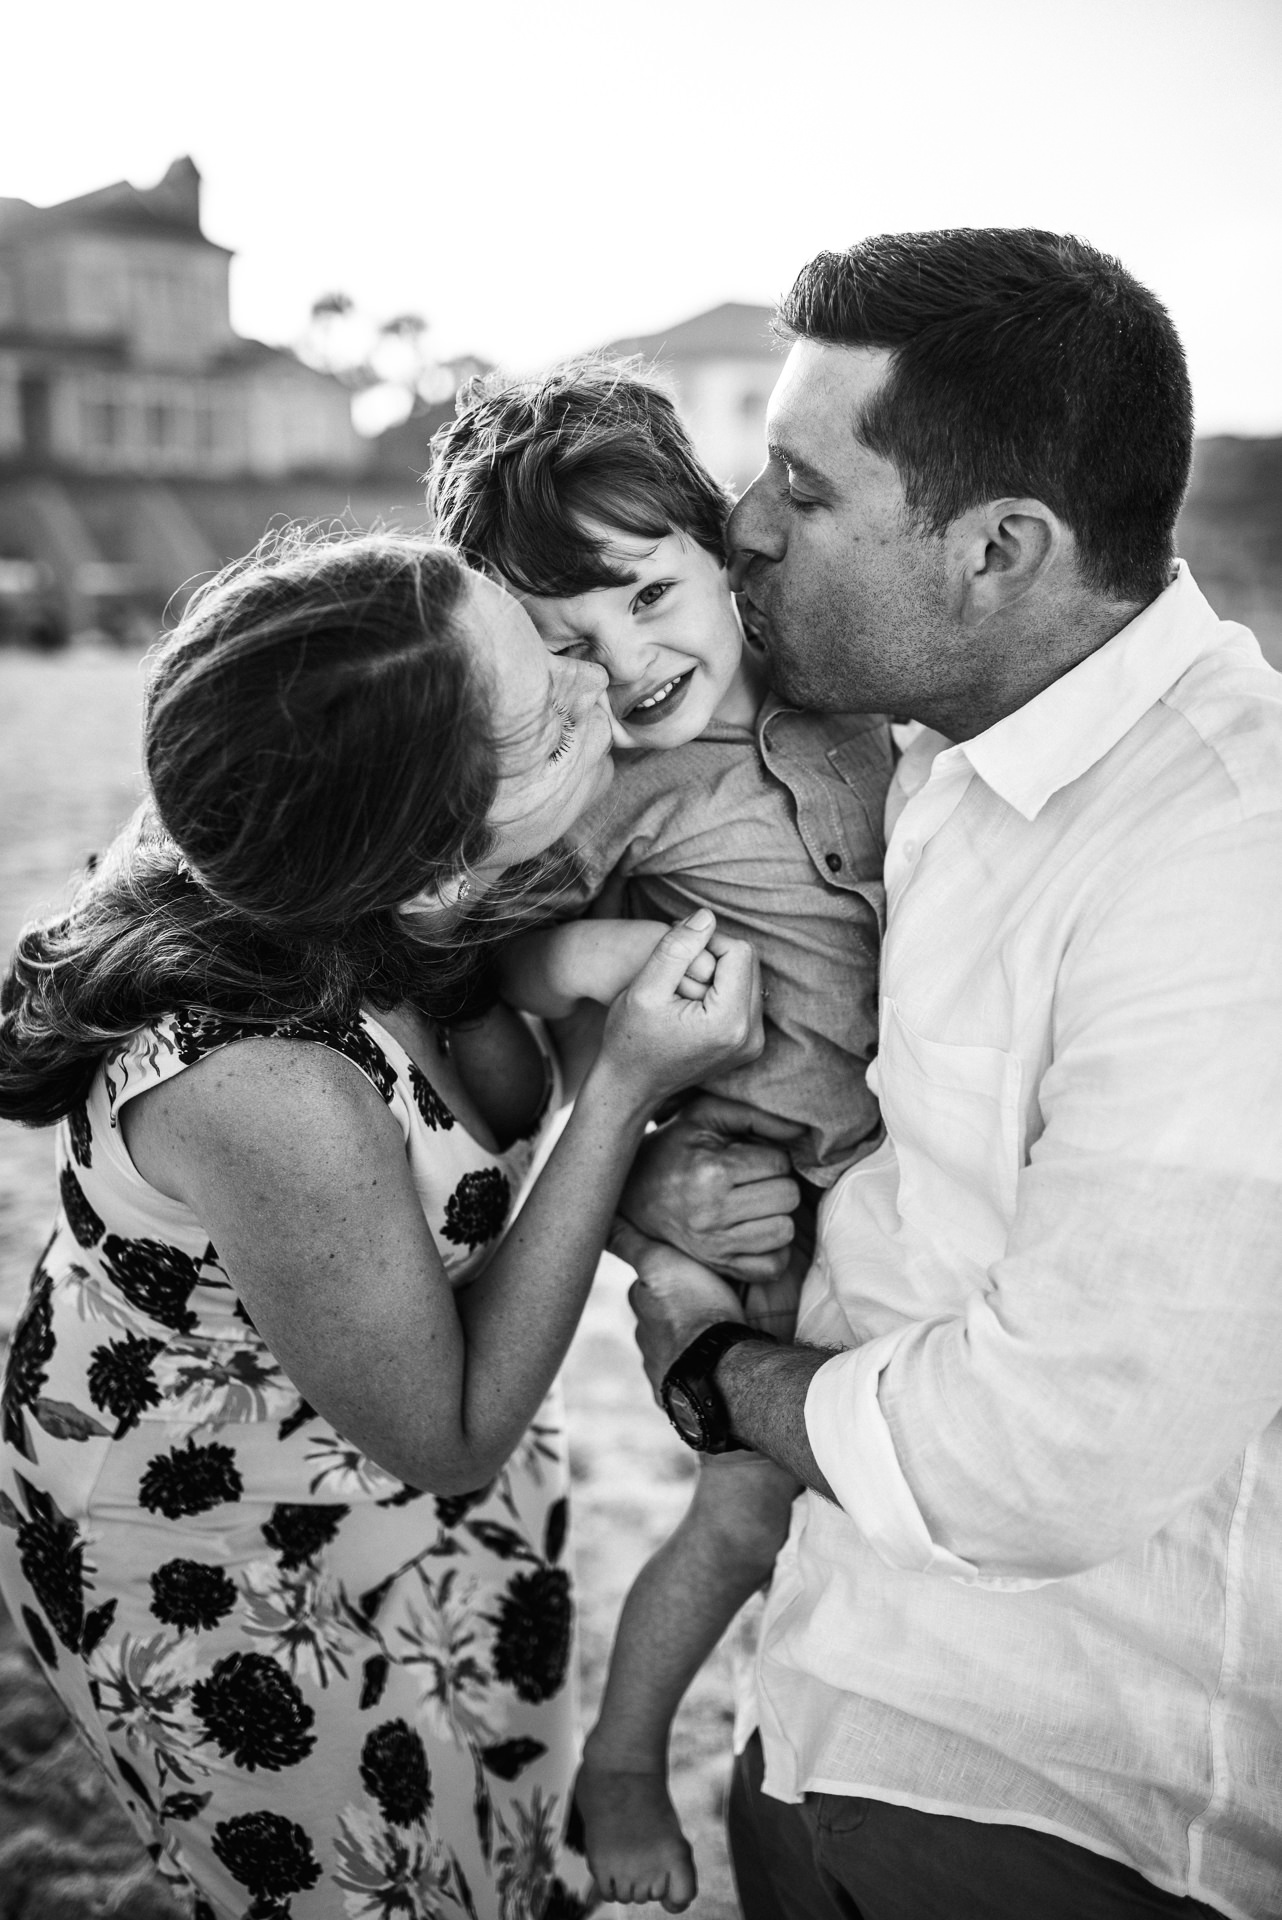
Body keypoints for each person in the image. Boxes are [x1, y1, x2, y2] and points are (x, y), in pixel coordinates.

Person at [617, 229, 1282, 1920]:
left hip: (1058, 1806)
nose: (739, 527)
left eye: (800, 486)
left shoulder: (1228, 855)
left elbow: (1040, 1455)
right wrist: (677, 1185)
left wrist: (715, 1373)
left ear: (998, 548)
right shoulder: (913, 750)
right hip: (816, 1709)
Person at [0, 529, 762, 1920]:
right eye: (545, 711)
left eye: (549, 646)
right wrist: (620, 1089)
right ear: (425, 869)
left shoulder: (338, 830)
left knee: (493, 1845)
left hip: (404, 1456)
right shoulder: (267, 1085)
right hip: (226, 1547)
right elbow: (447, 1433)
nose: (595, 683)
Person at [427, 364, 891, 1907]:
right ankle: (628, 1760)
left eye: (644, 594)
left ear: (716, 549)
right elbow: (499, 970)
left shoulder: (854, 697)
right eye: (563, 642)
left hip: (904, 1180)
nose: (623, 661)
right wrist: (587, 968)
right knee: (746, 1512)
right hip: (748, 1206)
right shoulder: (600, 796)